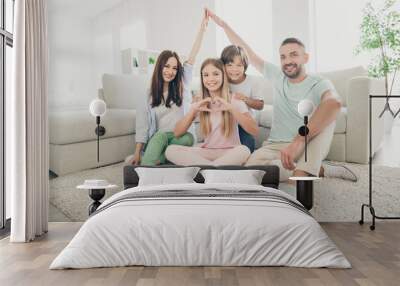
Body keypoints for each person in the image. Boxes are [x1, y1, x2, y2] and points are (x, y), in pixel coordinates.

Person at [206, 8, 357, 182]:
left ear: (305, 58)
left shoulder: (318, 82)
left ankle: (304, 170)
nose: (288, 61)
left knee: (327, 118)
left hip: (303, 142)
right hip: (274, 145)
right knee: (250, 171)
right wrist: (224, 26)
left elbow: (334, 104)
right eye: (283, 57)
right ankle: (317, 169)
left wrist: (298, 141)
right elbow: (248, 52)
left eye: (294, 55)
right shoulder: (277, 75)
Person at [127, 11, 208, 166]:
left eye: (175, 68)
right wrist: (137, 152)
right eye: (167, 66)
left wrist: (202, 30)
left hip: (183, 136)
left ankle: (154, 162)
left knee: (180, 141)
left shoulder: (182, 83)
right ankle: (149, 166)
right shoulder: (148, 95)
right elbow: (142, 125)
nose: (170, 71)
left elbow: (193, 55)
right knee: (160, 138)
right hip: (160, 138)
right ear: (159, 67)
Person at [165, 58, 258, 166]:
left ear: (223, 76)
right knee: (170, 150)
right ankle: (214, 169)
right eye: (206, 75)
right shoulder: (200, 102)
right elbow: (177, 132)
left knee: (244, 150)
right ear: (202, 78)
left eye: (215, 74)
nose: (211, 79)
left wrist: (231, 108)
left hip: (230, 152)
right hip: (207, 151)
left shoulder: (234, 99)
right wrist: (194, 110)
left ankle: (205, 169)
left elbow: (254, 130)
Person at [220, 45, 264, 153]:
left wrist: (245, 99)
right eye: (229, 65)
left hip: (244, 124)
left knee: (247, 147)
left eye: (239, 65)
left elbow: (260, 105)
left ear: (245, 66)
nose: (234, 69)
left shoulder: (253, 81)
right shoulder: (220, 80)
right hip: (226, 123)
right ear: (223, 66)